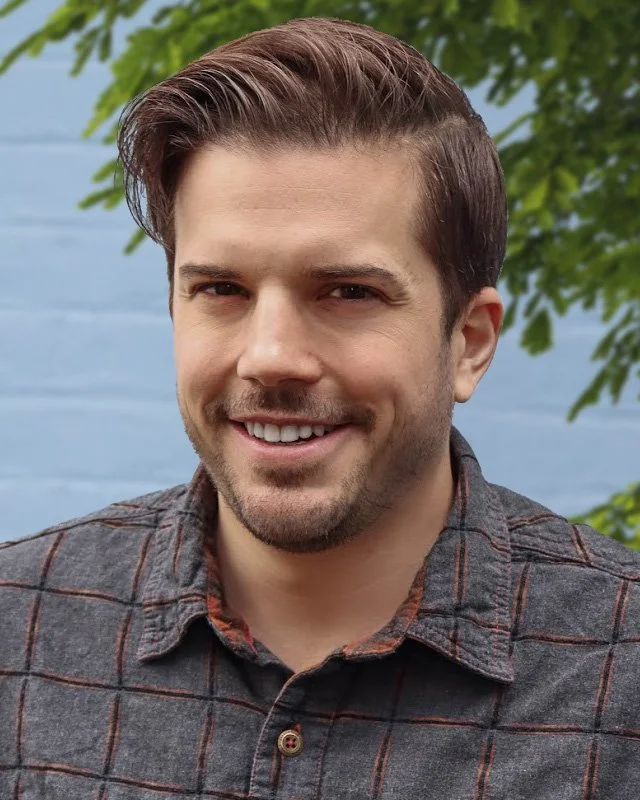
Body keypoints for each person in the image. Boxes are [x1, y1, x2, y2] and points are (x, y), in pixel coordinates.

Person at [1, 16, 638, 800]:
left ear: (469, 342)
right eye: (221, 290)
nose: (270, 357)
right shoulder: (16, 637)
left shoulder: (624, 677)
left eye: (346, 292)